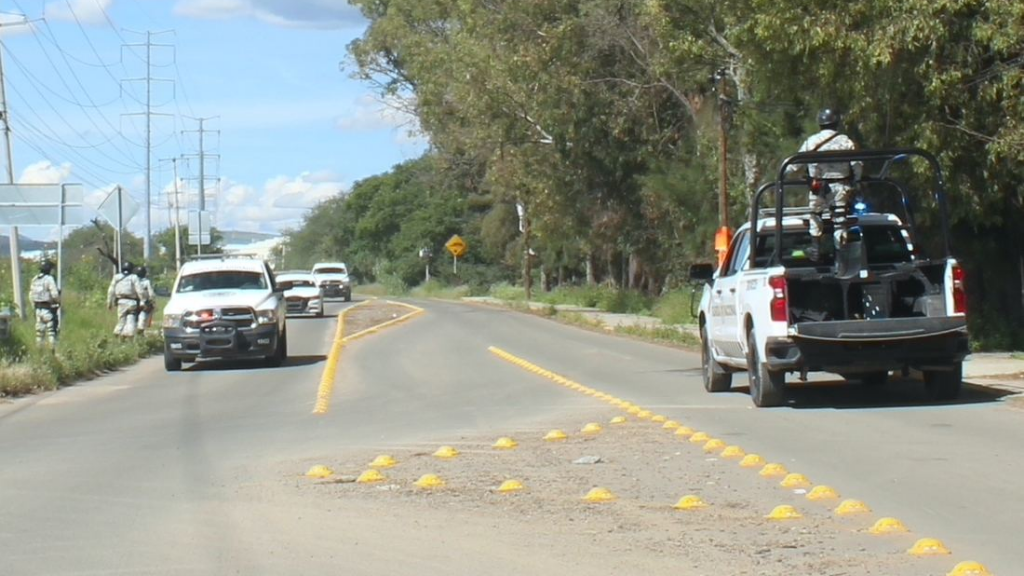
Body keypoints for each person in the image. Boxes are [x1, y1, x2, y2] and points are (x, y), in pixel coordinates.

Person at [786, 108, 864, 261]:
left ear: (820, 124)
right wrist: (857, 180)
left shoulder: (811, 141)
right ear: (836, 123)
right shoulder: (846, 142)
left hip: (817, 187)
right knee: (840, 220)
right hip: (840, 186)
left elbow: (795, 163)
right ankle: (841, 254)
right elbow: (857, 165)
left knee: (815, 215)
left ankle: (815, 249)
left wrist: (783, 174)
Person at [107, 261, 142, 340]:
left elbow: (111, 290)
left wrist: (109, 302)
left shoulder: (116, 277)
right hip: (132, 302)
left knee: (121, 320)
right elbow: (140, 290)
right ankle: (129, 336)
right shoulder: (134, 277)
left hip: (121, 302)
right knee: (131, 319)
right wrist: (143, 300)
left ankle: (116, 334)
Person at [29, 260, 60, 347]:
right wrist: (58, 302)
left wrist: (33, 308)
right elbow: (55, 294)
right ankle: (53, 352)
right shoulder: (49, 279)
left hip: (37, 309)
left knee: (39, 334)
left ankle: (40, 353)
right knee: (51, 332)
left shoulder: (35, 279)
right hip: (47, 309)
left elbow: (31, 295)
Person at [136, 266, 155, 336]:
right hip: (143, 303)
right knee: (143, 318)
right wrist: (152, 300)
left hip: (133, 302)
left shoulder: (133, 280)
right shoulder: (147, 282)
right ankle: (141, 331)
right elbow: (151, 294)